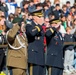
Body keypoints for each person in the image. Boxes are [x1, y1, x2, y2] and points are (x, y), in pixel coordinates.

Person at [26, 9, 45, 75]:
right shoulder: (30, 25)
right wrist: (39, 26)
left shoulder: (41, 27)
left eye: (42, 17)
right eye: (39, 17)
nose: (41, 19)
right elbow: (31, 33)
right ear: (34, 17)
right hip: (33, 57)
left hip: (40, 56)